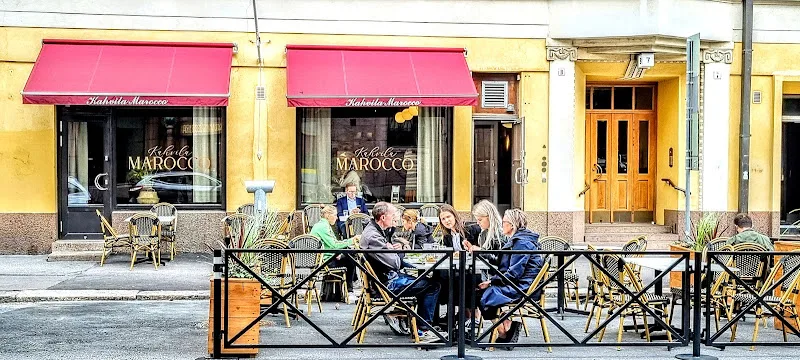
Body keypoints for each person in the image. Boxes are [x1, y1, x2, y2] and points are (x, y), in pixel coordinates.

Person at [360, 202, 445, 342]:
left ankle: (421, 326)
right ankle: (423, 330)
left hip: (385, 278)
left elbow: (392, 258)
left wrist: (391, 247)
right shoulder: (373, 236)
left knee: (427, 282)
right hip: (386, 284)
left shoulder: (376, 230)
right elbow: (396, 263)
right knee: (433, 285)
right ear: (382, 217)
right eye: (393, 215)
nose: (397, 217)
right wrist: (395, 250)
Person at [477, 209, 545, 346]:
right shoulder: (520, 240)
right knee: (479, 291)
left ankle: (504, 331)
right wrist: (482, 253)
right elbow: (505, 262)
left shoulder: (522, 243)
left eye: (504, 222)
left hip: (523, 289)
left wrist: (490, 282)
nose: (502, 225)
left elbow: (514, 273)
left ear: (512, 225)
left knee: (479, 294)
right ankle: (506, 324)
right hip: (521, 284)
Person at [310, 205, 358, 302]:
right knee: (351, 259)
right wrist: (352, 240)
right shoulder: (323, 226)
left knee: (349, 255)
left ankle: (351, 286)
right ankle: (350, 291)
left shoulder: (322, 225)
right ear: (328, 215)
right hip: (324, 261)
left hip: (324, 257)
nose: (337, 218)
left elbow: (329, 245)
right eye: (335, 215)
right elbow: (334, 245)